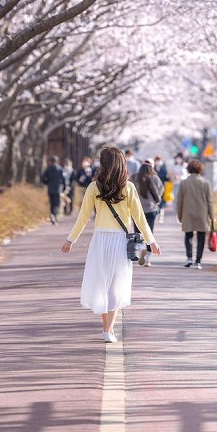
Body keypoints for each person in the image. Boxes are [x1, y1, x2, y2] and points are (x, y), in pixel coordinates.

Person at [61, 145, 161, 343]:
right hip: (120, 241)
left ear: (103, 164)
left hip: (100, 240)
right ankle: (109, 330)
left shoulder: (93, 187)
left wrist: (70, 240)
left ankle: (106, 327)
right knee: (117, 284)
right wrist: (151, 241)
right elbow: (140, 218)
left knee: (101, 281)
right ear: (121, 163)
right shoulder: (128, 187)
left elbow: (82, 218)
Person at [176, 159, 214, 269]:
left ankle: (189, 258)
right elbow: (209, 201)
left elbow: (180, 201)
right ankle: (198, 261)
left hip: (187, 213)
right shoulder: (205, 183)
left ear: (188, 169)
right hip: (202, 213)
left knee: (188, 236)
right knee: (201, 237)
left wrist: (179, 215)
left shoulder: (184, 183)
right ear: (200, 170)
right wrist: (212, 216)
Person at [136, 162, 163, 266]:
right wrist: (157, 200)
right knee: (149, 232)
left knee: (137, 232)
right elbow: (160, 190)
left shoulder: (135, 178)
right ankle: (147, 257)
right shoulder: (154, 178)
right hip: (150, 208)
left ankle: (139, 249)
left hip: (137, 209)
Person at [41, 155, 65, 225]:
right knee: (56, 203)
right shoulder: (60, 169)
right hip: (58, 189)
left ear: (51, 161)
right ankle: (54, 215)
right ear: (57, 161)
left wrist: (46, 182)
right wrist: (63, 188)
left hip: (50, 188)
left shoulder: (48, 169)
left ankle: (52, 215)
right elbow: (63, 179)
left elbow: (43, 178)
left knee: (52, 203)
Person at [154, 155, 169, 222]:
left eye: (159, 160)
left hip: (162, 187)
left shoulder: (163, 167)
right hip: (154, 187)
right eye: (157, 160)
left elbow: (166, 177)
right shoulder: (153, 168)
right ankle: (156, 215)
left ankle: (161, 217)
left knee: (162, 202)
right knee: (155, 202)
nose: (158, 162)